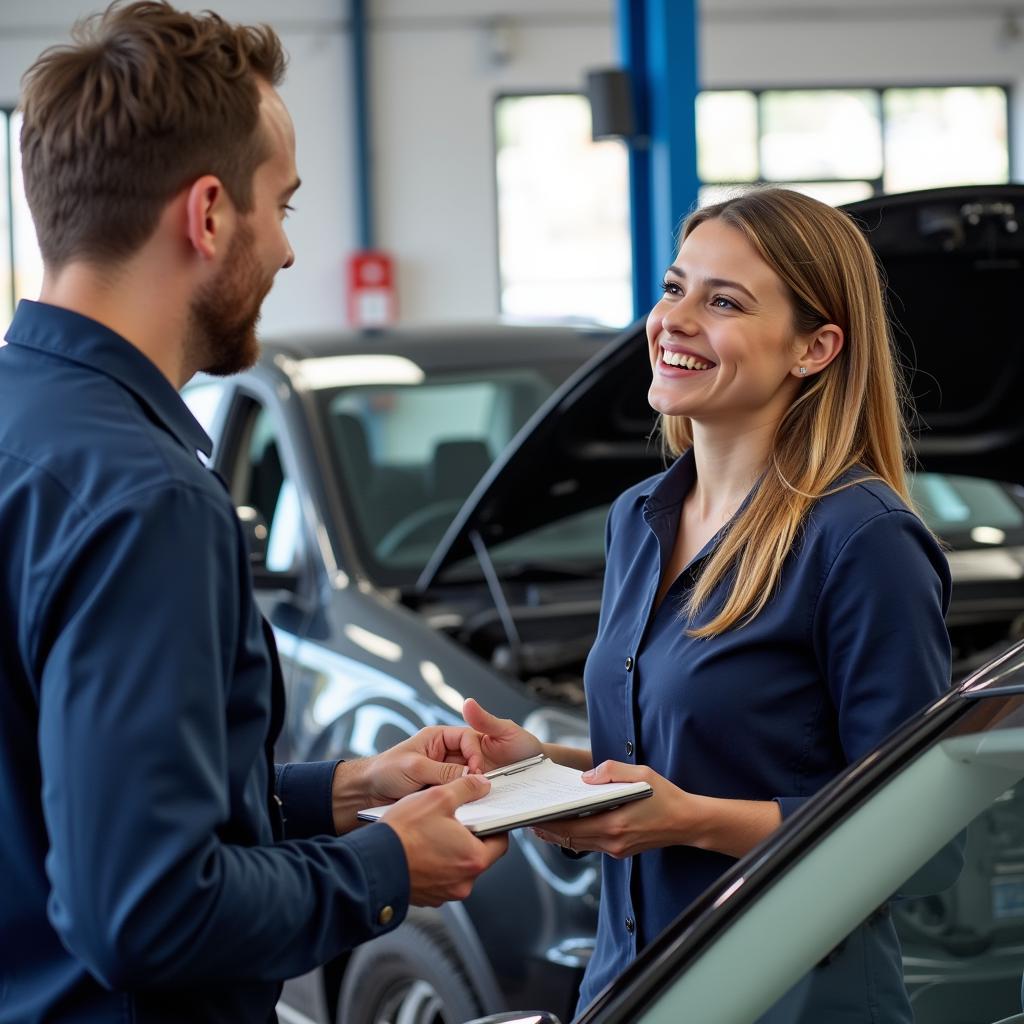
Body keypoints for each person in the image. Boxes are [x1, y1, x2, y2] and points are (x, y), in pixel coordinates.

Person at [0, 4, 506, 1022]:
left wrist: (341, 794)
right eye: (283, 204)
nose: (282, 250)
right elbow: (141, 911)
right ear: (208, 215)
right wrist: (382, 865)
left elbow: (73, 803)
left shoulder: (26, 427)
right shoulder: (148, 500)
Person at [464, 187, 953, 1020]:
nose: (675, 319)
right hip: (632, 985)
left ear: (816, 348)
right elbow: (680, 757)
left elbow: (922, 845)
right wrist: (544, 767)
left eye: (722, 301)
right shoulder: (641, 516)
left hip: (790, 999)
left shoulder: (861, 540)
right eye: (672, 287)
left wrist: (691, 821)